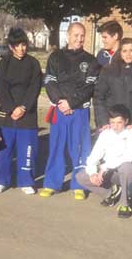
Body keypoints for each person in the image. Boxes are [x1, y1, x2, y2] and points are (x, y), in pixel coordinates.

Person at [40, 22, 100, 200]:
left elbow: (89, 87)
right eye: (76, 35)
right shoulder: (56, 57)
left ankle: (79, 183)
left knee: (80, 148)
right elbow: (49, 81)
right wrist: (60, 101)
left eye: (82, 35)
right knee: (56, 146)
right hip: (59, 110)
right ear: (68, 35)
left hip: (79, 111)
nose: (79, 39)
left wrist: (71, 103)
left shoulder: (91, 60)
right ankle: (52, 183)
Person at [0, 28, 42, 195]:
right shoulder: (4, 63)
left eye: (24, 45)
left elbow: (34, 88)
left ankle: (26, 181)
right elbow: (2, 88)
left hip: (27, 115)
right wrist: (10, 108)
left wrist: (23, 107)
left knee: (27, 150)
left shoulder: (33, 63)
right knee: (4, 151)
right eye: (18, 45)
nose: (22, 48)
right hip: (7, 114)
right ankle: (2, 180)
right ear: (11, 46)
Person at [75, 105, 132, 218]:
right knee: (81, 177)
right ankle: (111, 193)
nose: (115, 126)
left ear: (126, 121)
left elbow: (130, 157)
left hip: (126, 174)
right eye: (112, 122)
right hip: (110, 173)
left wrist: (104, 167)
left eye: (119, 122)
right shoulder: (105, 133)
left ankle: (125, 203)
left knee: (127, 167)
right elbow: (93, 157)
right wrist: (93, 173)